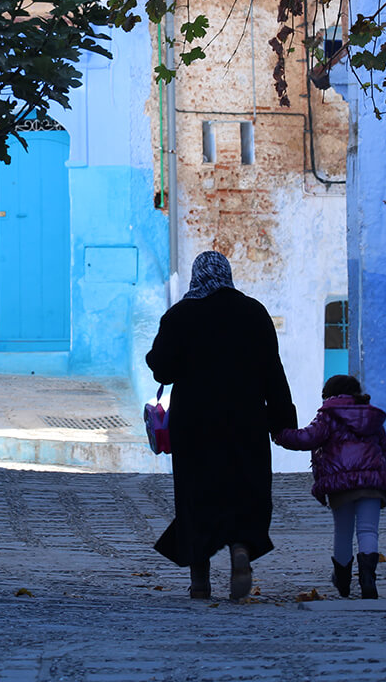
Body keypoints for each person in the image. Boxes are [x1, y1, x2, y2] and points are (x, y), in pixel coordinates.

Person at [147, 250, 297, 601]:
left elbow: (162, 369)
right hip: (245, 420)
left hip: (194, 424)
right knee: (244, 489)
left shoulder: (181, 315)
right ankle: (240, 549)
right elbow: (273, 373)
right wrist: (282, 422)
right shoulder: (254, 313)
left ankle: (200, 579)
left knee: (196, 495)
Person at [273, 374, 386, 599]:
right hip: (372, 484)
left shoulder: (328, 416)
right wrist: (379, 473)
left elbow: (307, 438)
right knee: (368, 530)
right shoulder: (371, 417)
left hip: (340, 485)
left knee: (343, 532)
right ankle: (368, 579)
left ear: (328, 395)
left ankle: (343, 579)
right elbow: (385, 451)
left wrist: (280, 435)